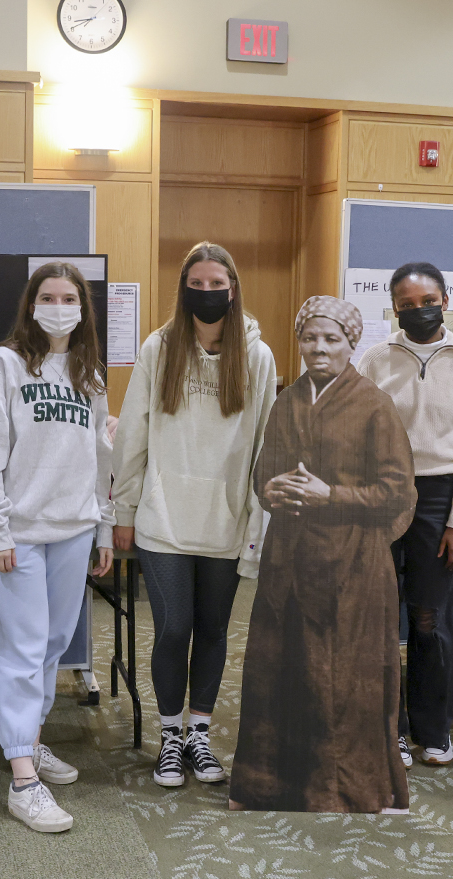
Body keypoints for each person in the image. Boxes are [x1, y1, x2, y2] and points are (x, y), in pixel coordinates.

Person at [229, 296, 417, 813]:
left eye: (332, 339)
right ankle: (273, 785)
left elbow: (398, 493)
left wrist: (330, 494)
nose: (319, 348)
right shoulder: (286, 401)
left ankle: (340, 789)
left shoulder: (374, 404)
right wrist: (276, 491)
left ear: (351, 344)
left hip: (353, 566)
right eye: (310, 338)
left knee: (345, 678)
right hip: (289, 558)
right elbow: (261, 473)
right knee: (281, 673)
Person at [112, 242, 277, 789]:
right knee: (173, 628)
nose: (207, 294)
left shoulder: (257, 356)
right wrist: (125, 508)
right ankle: (170, 737)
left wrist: (258, 519)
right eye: (197, 284)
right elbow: (133, 434)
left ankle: (199, 733)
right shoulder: (160, 348)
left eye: (217, 285)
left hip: (226, 519)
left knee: (212, 630)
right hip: (164, 519)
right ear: (183, 288)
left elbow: (264, 444)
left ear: (234, 289)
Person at [0, 261, 114, 833]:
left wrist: (103, 524)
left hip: (74, 528)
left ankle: (33, 737)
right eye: (47, 296)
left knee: (54, 643)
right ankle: (22, 779)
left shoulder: (90, 373)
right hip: (20, 533)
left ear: (82, 307)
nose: (58, 305)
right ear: (31, 305)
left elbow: (101, 460)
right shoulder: (4, 365)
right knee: (22, 649)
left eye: (68, 296)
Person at [356, 261, 453, 767]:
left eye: (427, 300)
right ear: (394, 308)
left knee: (430, 618)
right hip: (383, 493)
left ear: (445, 300)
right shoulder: (374, 359)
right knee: (383, 618)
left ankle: (434, 730)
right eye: (406, 304)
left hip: (439, 498)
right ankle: (386, 730)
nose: (418, 310)